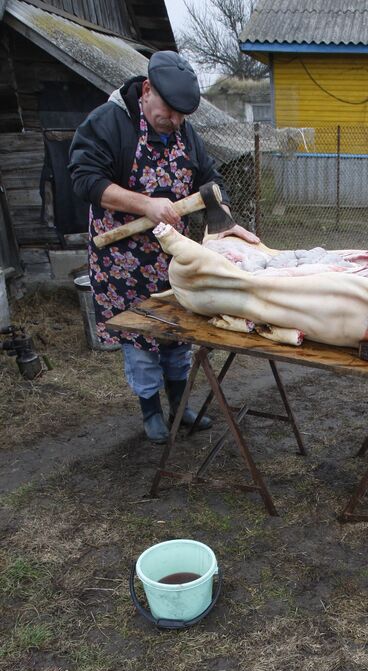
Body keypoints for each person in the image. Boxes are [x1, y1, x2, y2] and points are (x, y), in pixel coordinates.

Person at [69, 51, 258, 443]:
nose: (174, 121)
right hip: (122, 261)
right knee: (141, 341)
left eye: (181, 116)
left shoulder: (184, 133)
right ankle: (151, 411)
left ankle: (180, 405)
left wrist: (223, 220)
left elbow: (210, 180)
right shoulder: (110, 122)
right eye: (169, 112)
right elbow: (85, 179)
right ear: (147, 90)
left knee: (177, 335)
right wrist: (145, 204)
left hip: (172, 260)